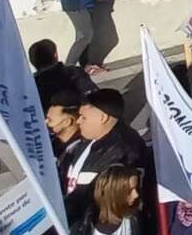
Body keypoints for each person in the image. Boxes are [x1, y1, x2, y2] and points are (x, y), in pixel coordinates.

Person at [65, 87, 153, 225]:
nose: (78, 121)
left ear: (103, 118)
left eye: (84, 117)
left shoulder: (124, 150)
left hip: (95, 227)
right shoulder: (88, 139)